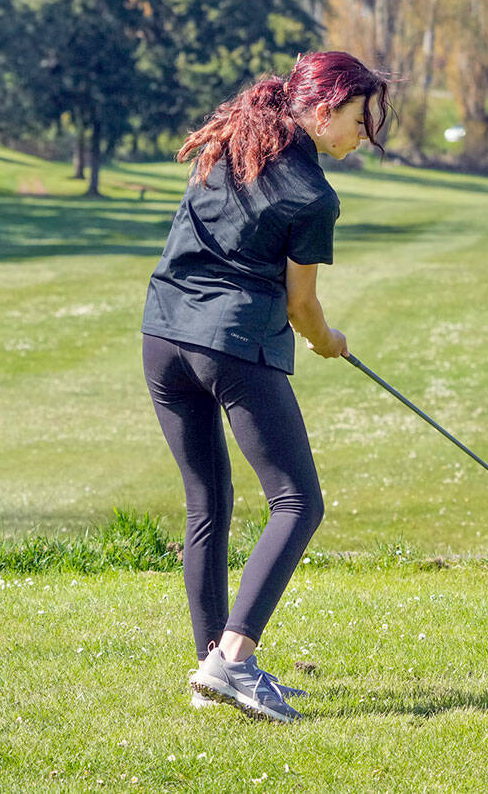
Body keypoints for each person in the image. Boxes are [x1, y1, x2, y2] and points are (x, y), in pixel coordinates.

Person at [140, 52, 391, 722]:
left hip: (162, 338)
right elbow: (301, 303)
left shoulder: (234, 140)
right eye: (359, 120)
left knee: (208, 503)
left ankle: (210, 666)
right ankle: (234, 660)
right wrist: (325, 340)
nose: (364, 135)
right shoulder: (313, 194)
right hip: (231, 345)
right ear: (322, 110)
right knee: (298, 502)